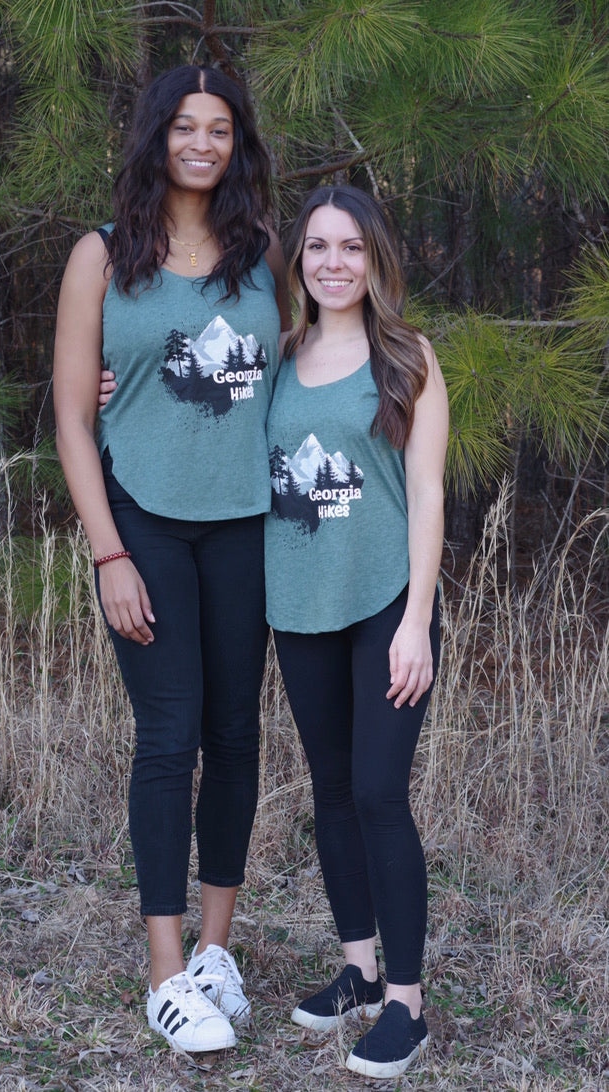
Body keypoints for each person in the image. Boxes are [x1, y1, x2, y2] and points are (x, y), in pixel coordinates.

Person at [53, 64, 289, 1055]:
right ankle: (162, 975)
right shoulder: (103, 257)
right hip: (145, 518)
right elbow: (71, 415)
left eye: (220, 129)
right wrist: (108, 550)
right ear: (158, 138)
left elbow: (315, 366)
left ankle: (215, 954)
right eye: (185, 127)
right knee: (169, 736)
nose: (201, 144)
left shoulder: (265, 254)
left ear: (238, 146)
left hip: (248, 523)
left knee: (237, 738)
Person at [265, 185, 448, 1079]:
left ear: (375, 259)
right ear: (298, 261)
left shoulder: (406, 356)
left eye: (351, 248)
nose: (332, 263)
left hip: (385, 602)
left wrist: (415, 619)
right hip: (299, 604)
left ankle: (407, 1006)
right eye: (316, 248)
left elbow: (426, 492)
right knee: (330, 789)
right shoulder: (278, 355)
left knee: (379, 791)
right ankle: (360, 970)